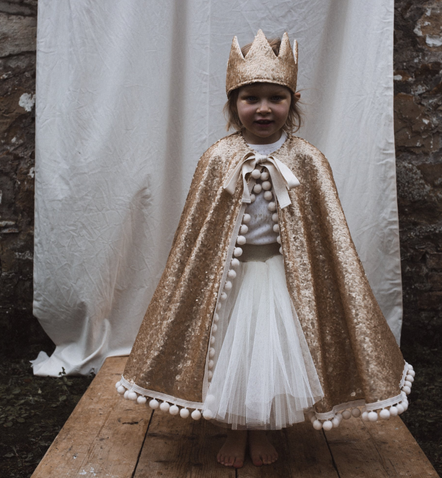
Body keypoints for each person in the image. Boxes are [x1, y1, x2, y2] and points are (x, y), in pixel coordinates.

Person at [115, 30, 414, 469]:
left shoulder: (308, 159)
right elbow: (196, 236)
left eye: (275, 98)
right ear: (233, 102)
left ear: (293, 100)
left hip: (283, 274)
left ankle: (265, 429)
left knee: (272, 357)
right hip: (230, 279)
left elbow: (328, 235)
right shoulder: (218, 158)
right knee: (231, 355)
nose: (262, 109)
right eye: (250, 98)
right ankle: (237, 429)